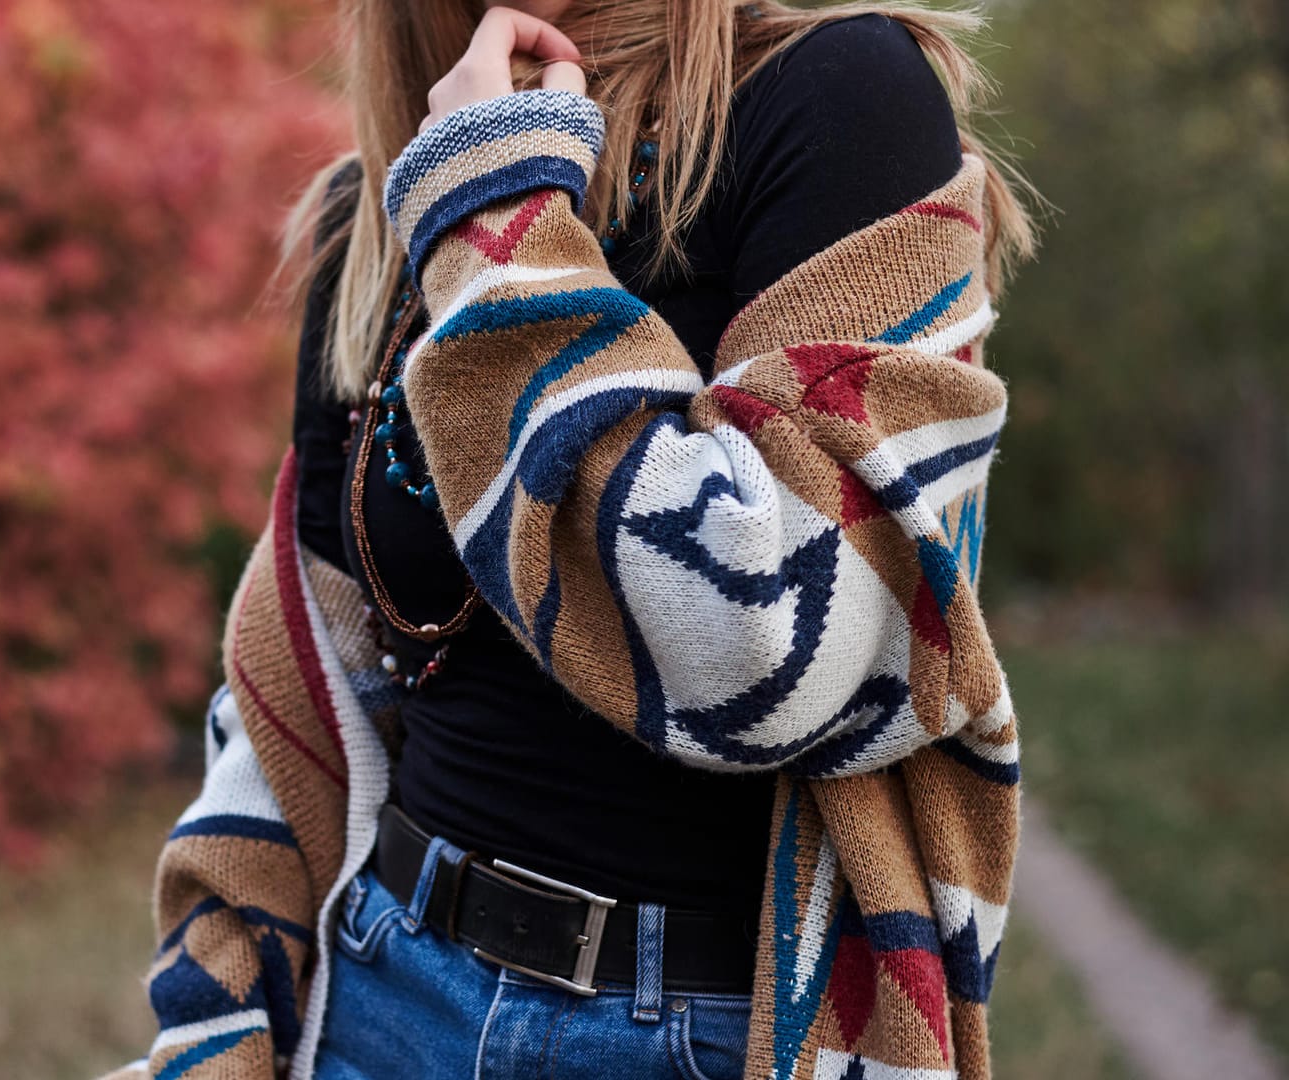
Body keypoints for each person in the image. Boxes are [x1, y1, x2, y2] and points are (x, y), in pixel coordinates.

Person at [122, 2, 1035, 1078]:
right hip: (382, 997)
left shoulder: (843, 97)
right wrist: (216, 1020)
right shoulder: (377, 204)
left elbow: (782, 648)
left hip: (702, 1034)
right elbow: (309, 689)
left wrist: (494, 218)